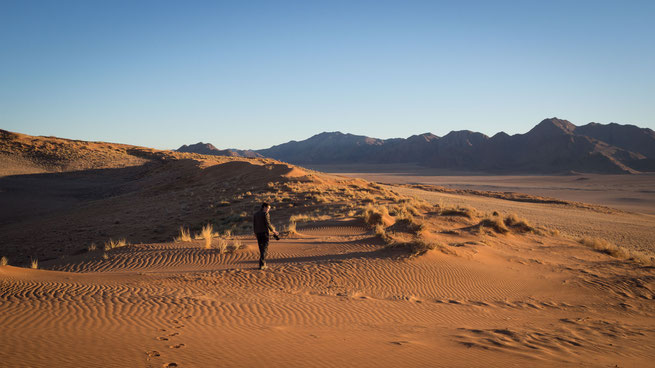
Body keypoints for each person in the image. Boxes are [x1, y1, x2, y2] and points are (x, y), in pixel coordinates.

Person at [253, 202, 279, 270]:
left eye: (269, 208)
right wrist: (274, 231)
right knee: (265, 249)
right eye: (268, 208)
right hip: (264, 233)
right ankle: (262, 265)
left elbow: (254, 224)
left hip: (258, 233)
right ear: (264, 207)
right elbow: (268, 224)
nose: (268, 209)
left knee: (261, 249)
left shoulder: (256, 214)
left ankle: (263, 264)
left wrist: (255, 233)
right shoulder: (265, 214)